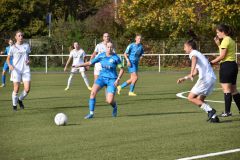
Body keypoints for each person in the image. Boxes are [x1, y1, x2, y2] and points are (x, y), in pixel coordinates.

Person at [73, 42, 124, 119]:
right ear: (106, 47)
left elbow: (122, 69)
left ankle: (115, 106)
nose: (109, 49)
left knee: (109, 101)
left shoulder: (116, 57)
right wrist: (79, 65)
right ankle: (91, 113)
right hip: (102, 78)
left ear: (112, 48)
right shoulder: (101, 55)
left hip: (112, 80)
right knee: (92, 92)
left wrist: (118, 79)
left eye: (111, 47)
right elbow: (90, 62)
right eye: (108, 47)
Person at [177, 39, 219, 123]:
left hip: (205, 79)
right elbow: (196, 72)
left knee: (190, 97)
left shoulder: (193, 53)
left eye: (185, 47)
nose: (184, 49)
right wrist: (184, 78)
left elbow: (194, 60)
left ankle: (210, 110)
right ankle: (214, 117)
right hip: (212, 79)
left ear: (190, 47)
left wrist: (191, 72)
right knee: (200, 99)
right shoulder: (198, 54)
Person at [210, 24, 240, 117]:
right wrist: (219, 44)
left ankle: (227, 112)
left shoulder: (225, 40)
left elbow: (222, 56)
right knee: (234, 90)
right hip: (233, 66)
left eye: (218, 32)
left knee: (226, 89)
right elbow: (223, 53)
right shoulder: (230, 40)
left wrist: (210, 63)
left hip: (226, 66)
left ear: (223, 32)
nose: (217, 34)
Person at [7, 31, 31, 111]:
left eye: (22, 35)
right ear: (16, 37)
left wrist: (28, 61)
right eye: (19, 35)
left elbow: (28, 57)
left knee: (27, 89)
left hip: (26, 70)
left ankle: (20, 100)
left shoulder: (26, 46)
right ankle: (14, 106)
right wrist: (10, 65)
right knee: (16, 89)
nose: (21, 37)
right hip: (16, 70)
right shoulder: (13, 47)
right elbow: (8, 59)